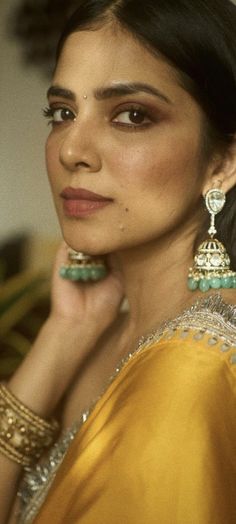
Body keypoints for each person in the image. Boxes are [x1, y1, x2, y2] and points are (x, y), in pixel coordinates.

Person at [1, 0, 236, 522]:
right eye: (62, 113)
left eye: (132, 115)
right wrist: (64, 336)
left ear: (221, 161)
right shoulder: (102, 333)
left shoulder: (194, 371)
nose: (71, 151)